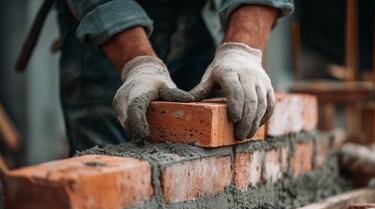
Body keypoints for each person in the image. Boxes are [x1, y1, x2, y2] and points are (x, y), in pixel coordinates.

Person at [57, 0, 294, 155]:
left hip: (198, 19)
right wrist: (137, 63)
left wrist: (242, 49)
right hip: (108, 30)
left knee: (219, 147)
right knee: (106, 169)